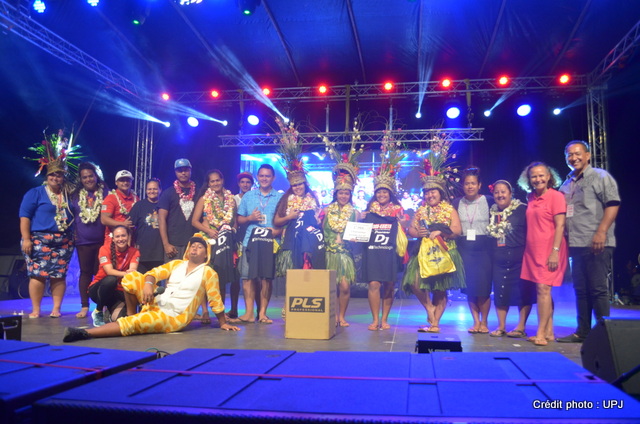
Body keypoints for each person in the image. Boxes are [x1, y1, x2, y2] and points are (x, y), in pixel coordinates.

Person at [63, 234, 240, 342]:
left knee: (134, 324)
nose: (194, 249)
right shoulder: (177, 264)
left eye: (199, 247)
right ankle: (132, 315)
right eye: (192, 246)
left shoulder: (208, 272)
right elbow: (153, 273)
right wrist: (148, 284)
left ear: (206, 254)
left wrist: (222, 322)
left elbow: (215, 299)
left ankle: (85, 333)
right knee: (131, 277)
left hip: (173, 316)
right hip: (157, 301)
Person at [557, 140, 621, 343]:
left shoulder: (600, 176)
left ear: (588, 155)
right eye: (569, 155)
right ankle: (582, 332)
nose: (573, 158)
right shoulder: (566, 184)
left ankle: (605, 336)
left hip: (597, 242)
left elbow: (613, 204)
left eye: (578, 153)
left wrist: (601, 232)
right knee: (581, 290)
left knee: (598, 289)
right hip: (575, 244)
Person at [404, 176, 464, 333]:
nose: (430, 195)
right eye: (427, 192)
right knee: (414, 281)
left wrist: (441, 232)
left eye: (433, 192)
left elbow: (457, 230)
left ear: (440, 192)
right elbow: (411, 230)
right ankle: (429, 308)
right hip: (423, 253)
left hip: (444, 253)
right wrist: (417, 232)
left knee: (440, 288)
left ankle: (435, 324)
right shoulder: (421, 211)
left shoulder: (449, 209)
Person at [518, 162, 568, 346]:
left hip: (550, 249)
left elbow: (560, 226)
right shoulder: (530, 197)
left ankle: (540, 333)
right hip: (533, 251)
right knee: (544, 290)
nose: (538, 179)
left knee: (543, 289)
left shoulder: (556, 196)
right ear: (528, 179)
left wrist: (555, 252)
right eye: (534, 176)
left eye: (541, 175)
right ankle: (549, 331)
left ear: (548, 177)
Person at [20, 158, 75, 319]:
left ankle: (56, 308)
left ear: (63, 177)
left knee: (59, 274)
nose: (55, 178)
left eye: (59, 175)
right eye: (52, 175)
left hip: (63, 241)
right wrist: (26, 239)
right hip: (38, 239)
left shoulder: (68, 195)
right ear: (47, 175)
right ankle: (36, 309)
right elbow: (24, 217)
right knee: (37, 274)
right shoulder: (35, 193)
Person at [361, 141, 407, 331]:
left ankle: (385, 319)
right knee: (373, 284)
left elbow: (404, 230)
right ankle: (374, 319)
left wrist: (402, 223)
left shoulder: (398, 211)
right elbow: (360, 234)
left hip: (390, 253)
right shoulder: (368, 211)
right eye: (378, 192)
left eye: (384, 192)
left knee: (389, 285)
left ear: (390, 193)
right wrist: (360, 221)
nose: (381, 194)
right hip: (372, 253)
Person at [322, 140, 364, 327]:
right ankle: (329, 316)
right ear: (336, 193)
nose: (343, 196)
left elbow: (359, 235)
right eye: (341, 193)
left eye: (347, 193)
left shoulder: (355, 212)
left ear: (350, 195)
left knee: (345, 286)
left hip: (345, 254)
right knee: (328, 287)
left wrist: (355, 238)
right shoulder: (326, 210)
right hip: (328, 254)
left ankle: (341, 316)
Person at [486, 180, 535, 338]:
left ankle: (521, 327)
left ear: (510, 193)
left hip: (520, 257)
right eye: (496, 192)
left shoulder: (522, 209)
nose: (500, 195)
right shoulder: (492, 212)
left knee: (523, 292)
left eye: (503, 192)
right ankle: (501, 326)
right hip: (499, 257)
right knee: (500, 292)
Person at [235, 164, 283, 324]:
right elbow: (239, 219)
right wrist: (250, 218)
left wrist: (277, 231)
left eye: (267, 176)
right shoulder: (248, 196)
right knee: (247, 277)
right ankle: (249, 313)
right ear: (257, 177)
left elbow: (285, 222)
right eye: (261, 175)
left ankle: (262, 313)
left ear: (273, 178)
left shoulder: (280, 198)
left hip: (271, 242)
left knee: (266, 279)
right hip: (250, 241)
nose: (264, 178)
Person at [192, 170, 238, 318]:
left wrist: (232, 230)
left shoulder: (231, 199)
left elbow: (235, 221)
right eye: (212, 181)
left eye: (218, 180)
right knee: (206, 277)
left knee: (221, 277)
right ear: (208, 183)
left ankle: (221, 313)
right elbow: (194, 221)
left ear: (222, 180)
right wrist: (209, 231)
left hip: (226, 242)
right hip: (209, 241)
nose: (215, 183)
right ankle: (205, 311)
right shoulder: (204, 199)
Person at [453, 167, 493, 334]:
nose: (470, 186)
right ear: (463, 185)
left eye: (473, 183)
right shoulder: (457, 203)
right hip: (465, 248)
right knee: (470, 287)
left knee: (483, 287)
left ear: (479, 185)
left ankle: (484, 321)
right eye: (467, 184)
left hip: (485, 248)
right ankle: (475, 321)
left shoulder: (489, 200)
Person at [69, 162, 108, 318]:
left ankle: (101, 306)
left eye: (90, 176)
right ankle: (84, 306)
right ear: (81, 179)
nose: (88, 179)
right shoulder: (75, 195)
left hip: (102, 241)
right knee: (85, 273)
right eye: (84, 177)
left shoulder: (106, 192)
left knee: (101, 274)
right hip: (83, 241)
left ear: (96, 176)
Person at [88, 225, 140, 326]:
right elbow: (109, 271)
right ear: (113, 238)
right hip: (99, 290)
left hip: (118, 292)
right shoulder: (104, 249)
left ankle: (109, 311)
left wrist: (130, 273)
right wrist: (126, 273)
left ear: (128, 236)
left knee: (120, 319)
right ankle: (98, 311)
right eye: (117, 236)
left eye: (123, 236)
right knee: (111, 280)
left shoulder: (134, 252)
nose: (121, 239)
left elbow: (133, 271)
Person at [158, 159, 199, 262]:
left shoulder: (199, 192)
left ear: (191, 171)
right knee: (173, 272)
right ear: (175, 172)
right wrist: (166, 244)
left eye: (186, 170)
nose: (183, 173)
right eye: (180, 170)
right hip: (174, 245)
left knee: (194, 272)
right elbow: (161, 219)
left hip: (195, 243)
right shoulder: (168, 193)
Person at [129, 178, 164, 273]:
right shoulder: (139, 205)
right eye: (149, 189)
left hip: (160, 253)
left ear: (160, 190)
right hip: (143, 252)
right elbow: (129, 226)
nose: (152, 191)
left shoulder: (164, 205)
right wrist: (131, 245)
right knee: (142, 280)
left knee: (157, 280)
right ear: (145, 190)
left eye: (155, 189)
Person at [101, 170, 139, 239]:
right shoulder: (110, 198)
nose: (125, 182)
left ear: (131, 182)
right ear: (116, 183)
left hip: (132, 239)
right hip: (114, 239)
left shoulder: (136, 198)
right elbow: (104, 219)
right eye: (122, 180)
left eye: (128, 180)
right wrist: (123, 224)